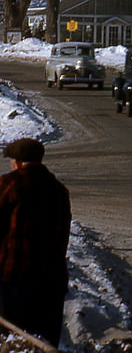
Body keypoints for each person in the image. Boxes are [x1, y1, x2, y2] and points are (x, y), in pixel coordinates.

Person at [0, 138, 72, 348]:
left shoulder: (9, 184)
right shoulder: (59, 190)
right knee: (45, 341)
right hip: (51, 281)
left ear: (19, 162)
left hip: (13, 279)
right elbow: (63, 235)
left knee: (12, 341)